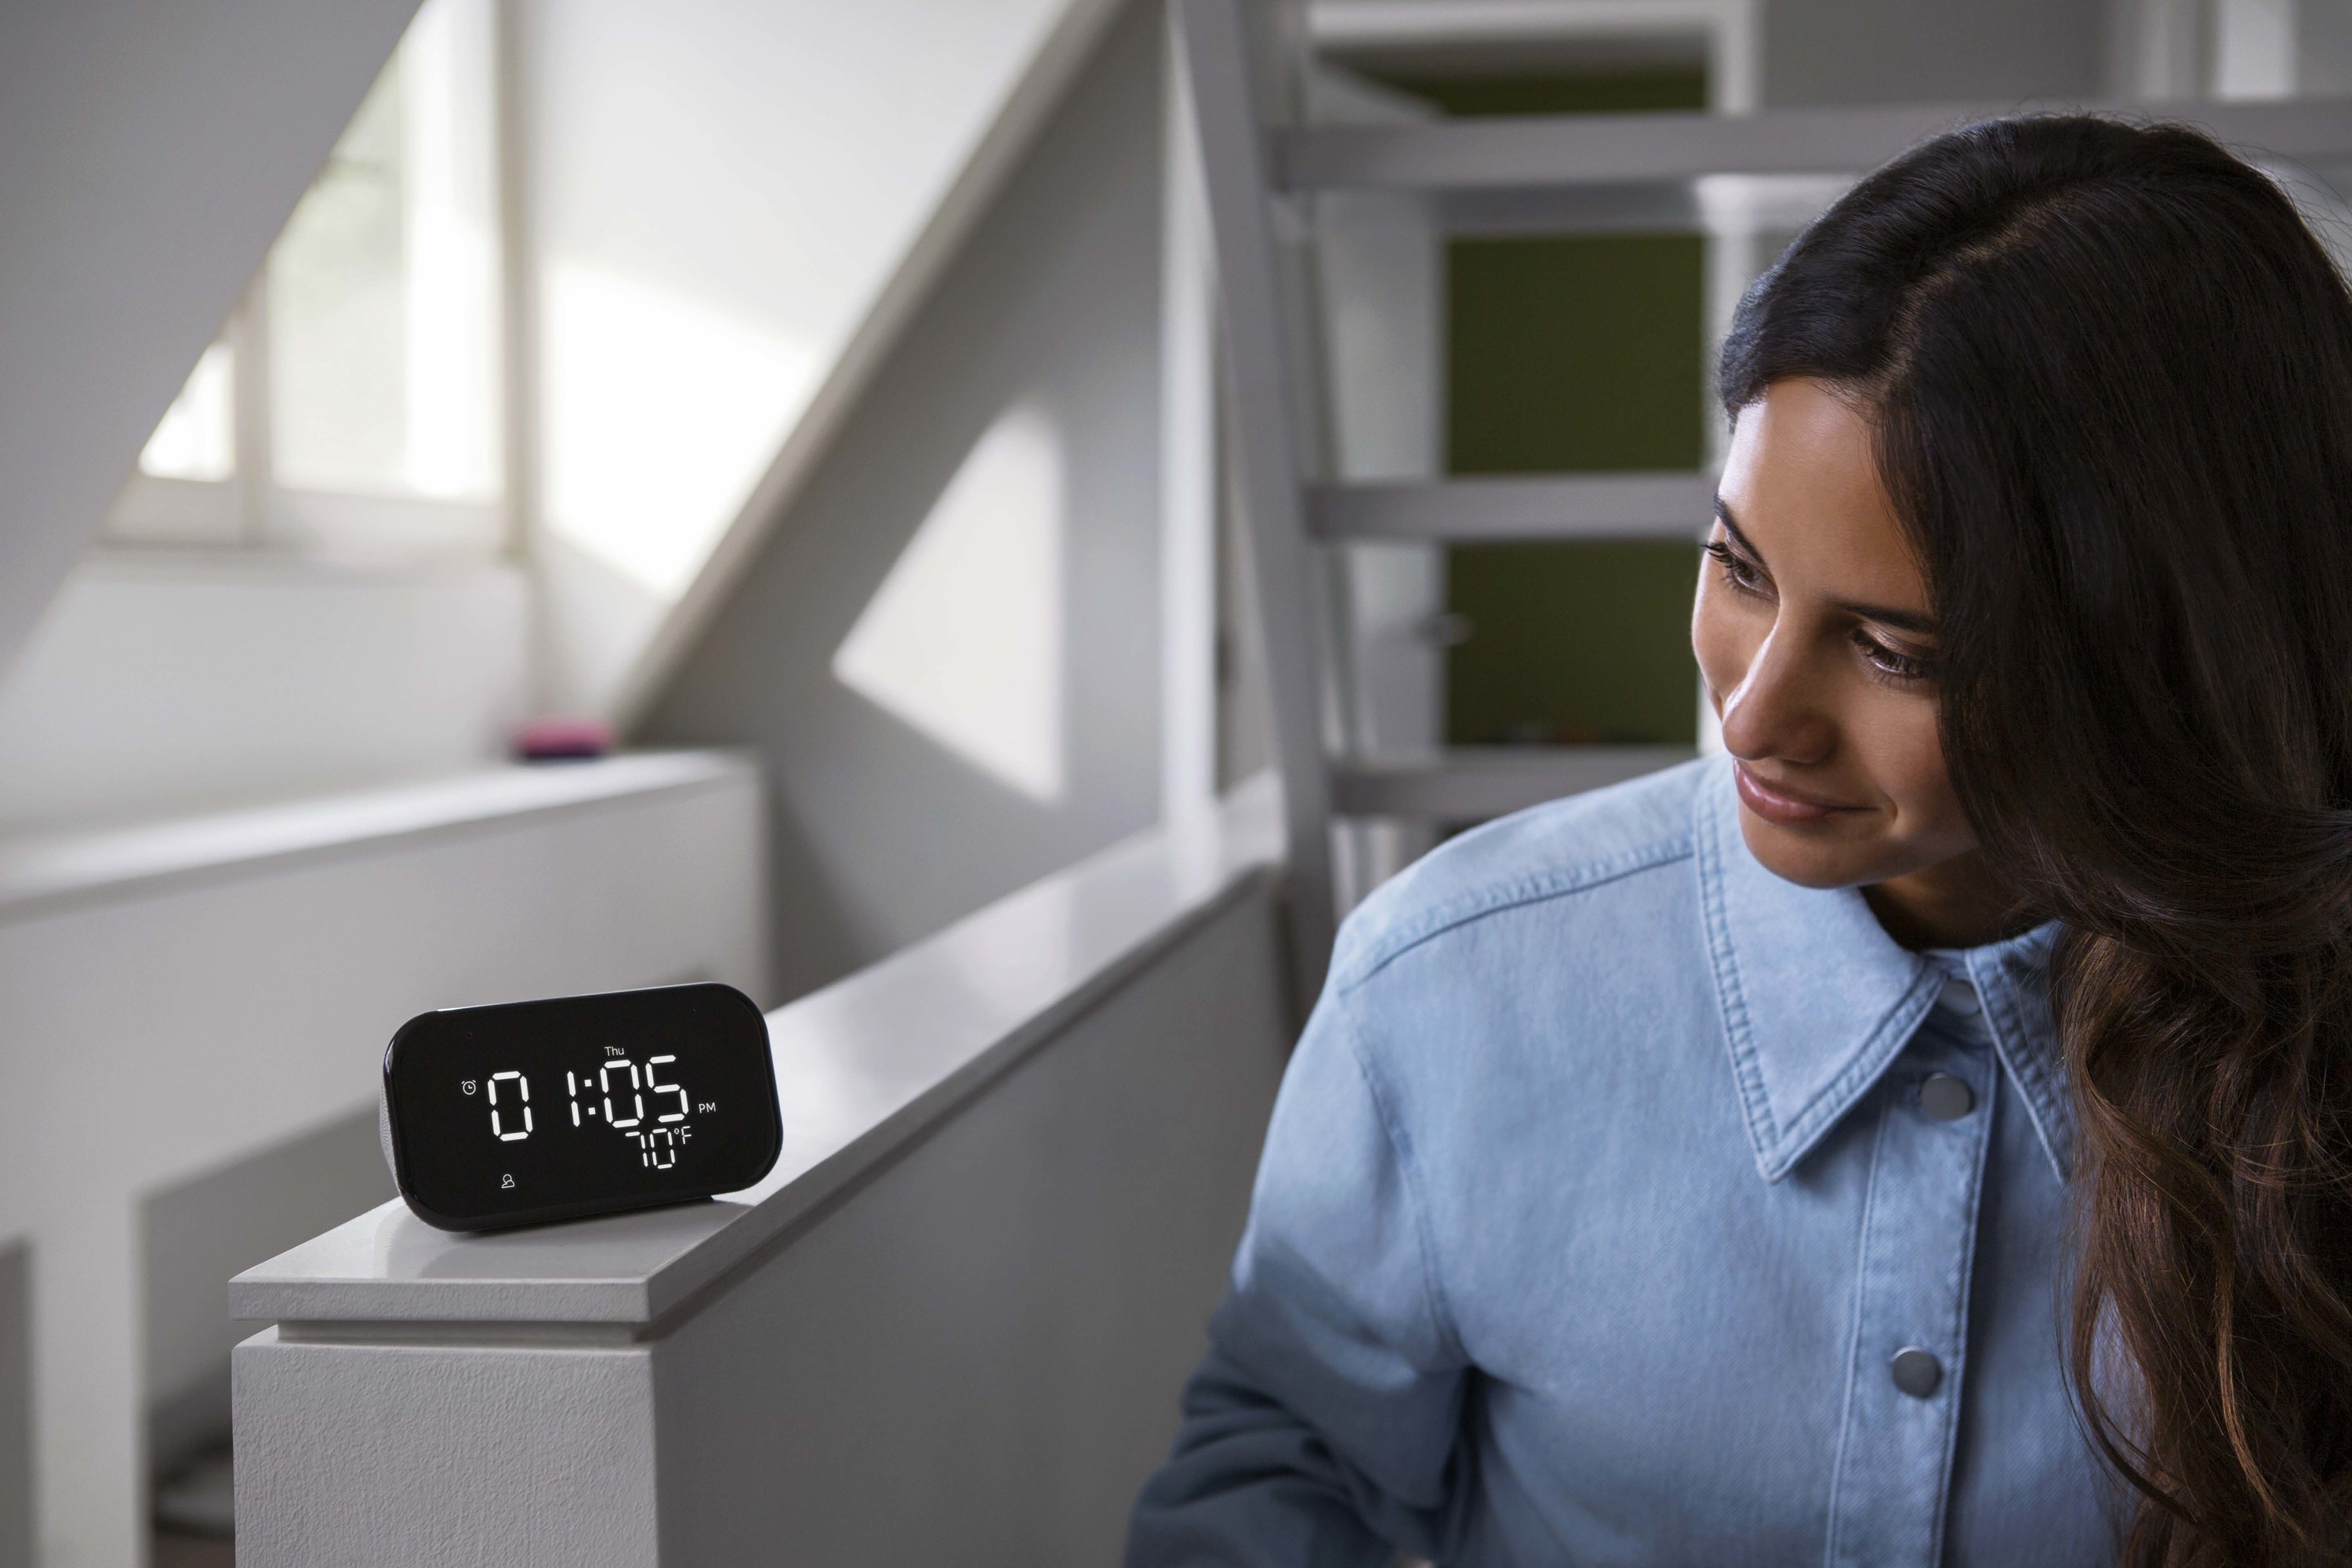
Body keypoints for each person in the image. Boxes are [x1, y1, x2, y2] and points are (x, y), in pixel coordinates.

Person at [1125, 114, 2352, 1567]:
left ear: (2163, 653)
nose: (1755, 715)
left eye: (1897, 650)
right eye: (1738, 567)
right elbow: (1272, 1482)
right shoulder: (1444, 988)